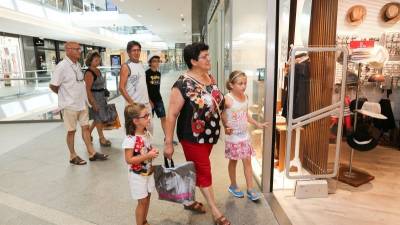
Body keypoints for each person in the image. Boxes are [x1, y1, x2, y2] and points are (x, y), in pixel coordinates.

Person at [164, 42, 231, 225]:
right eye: (204, 56)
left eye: (208, 55)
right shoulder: (181, 84)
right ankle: (215, 211)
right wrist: (168, 142)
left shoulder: (210, 77)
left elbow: (218, 104)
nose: (208, 58)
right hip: (191, 136)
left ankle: (188, 199)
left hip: (210, 135)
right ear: (193, 61)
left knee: (196, 169)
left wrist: (225, 124)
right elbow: (171, 114)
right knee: (204, 170)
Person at [49, 42, 108, 165]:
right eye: (77, 49)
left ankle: (92, 153)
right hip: (70, 105)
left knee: (86, 128)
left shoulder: (77, 65)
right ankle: (72, 155)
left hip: (82, 103)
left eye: (79, 49)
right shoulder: (62, 66)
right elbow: (53, 85)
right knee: (71, 131)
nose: (79, 51)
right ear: (68, 50)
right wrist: (65, 97)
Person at [222, 70, 268, 201]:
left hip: (244, 136)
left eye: (245, 83)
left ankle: (250, 189)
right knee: (233, 160)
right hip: (233, 137)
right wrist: (226, 126)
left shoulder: (246, 97)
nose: (243, 86)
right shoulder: (227, 99)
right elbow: (222, 114)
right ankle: (233, 185)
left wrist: (257, 123)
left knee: (247, 161)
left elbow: (246, 114)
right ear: (231, 85)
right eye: (240, 83)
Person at [123, 103, 159, 225]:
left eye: (148, 115)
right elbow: (129, 159)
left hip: (148, 172)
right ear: (136, 121)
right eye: (145, 116)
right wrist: (148, 156)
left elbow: (146, 149)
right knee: (142, 201)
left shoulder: (146, 133)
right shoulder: (130, 139)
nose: (149, 117)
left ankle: (144, 221)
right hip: (137, 176)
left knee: (148, 197)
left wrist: (152, 152)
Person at [119, 41, 153, 133]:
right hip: (134, 106)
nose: (136, 52)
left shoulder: (141, 64)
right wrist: (132, 104)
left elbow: (143, 85)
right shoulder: (126, 66)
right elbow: (121, 88)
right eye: (134, 50)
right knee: (134, 134)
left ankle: (147, 147)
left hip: (145, 105)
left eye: (138, 50)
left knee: (148, 132)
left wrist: (149, 101)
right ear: (128, 52)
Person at [145, 54, 178, 145]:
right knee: (148, 121)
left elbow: (157, 88)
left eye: (157, 61)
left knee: (163, 118)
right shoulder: (146, 74)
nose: (156, 63)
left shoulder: (158, 74)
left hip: (158, 100)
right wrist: (149, 101)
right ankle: (147, 141)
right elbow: (145, 89)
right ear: (150, 63)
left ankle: (167, 138)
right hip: (149, 101)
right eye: (154, 61)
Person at [84, 51, 112, 147]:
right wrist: (93, 103)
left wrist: (105, 91)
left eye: (99, 60)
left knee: (98, 118)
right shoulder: (89, 73)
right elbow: (88, 89)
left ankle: (88, 134)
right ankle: (101, 138)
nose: (98, 61)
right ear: (90, 61)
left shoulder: (98, 70)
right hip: (95, 98)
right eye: (96, 60)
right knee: (98, 119)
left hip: (101, 97)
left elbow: (100, 84)